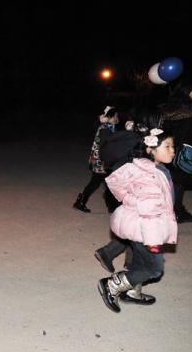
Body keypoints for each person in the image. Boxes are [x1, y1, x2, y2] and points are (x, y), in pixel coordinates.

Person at [98, 126, 177, 313]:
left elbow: (114, 181)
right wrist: (153, 242)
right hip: (146, 230)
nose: (172, 151)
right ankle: (112, 285)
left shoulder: (154, 168)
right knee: (154, 269)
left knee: (140, 261)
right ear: (151, 150)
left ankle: (133, 292)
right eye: (167, 146)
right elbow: (149, 213)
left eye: (173, 146)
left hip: (141, 226)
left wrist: (129, 200)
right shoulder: (148, 174)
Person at [93, 108, 155, 272]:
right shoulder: (138, 138)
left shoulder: (134, 136)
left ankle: (126, 259)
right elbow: (107, 147)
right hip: (133, 186)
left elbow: (107, 146)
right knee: (137, 225)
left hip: (129, 184)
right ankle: (112, 254)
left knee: (134, 224)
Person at [160, 78, 192, 223]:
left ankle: (174, 210)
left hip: (170, 152)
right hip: (185, 154)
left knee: (174, 182)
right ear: (185, 91)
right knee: (178, 182)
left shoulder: (171, 108)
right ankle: (177, 211)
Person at [73, 106, 119, 213]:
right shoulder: (105, 129)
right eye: (115, 116)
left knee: (103, 183)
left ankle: (110, 206)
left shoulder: (107, 127)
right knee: (100, 183)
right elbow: (104, 147)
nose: (117, 118)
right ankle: (110, 206)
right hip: (101, 161)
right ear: (110, 117)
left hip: (100, 160)